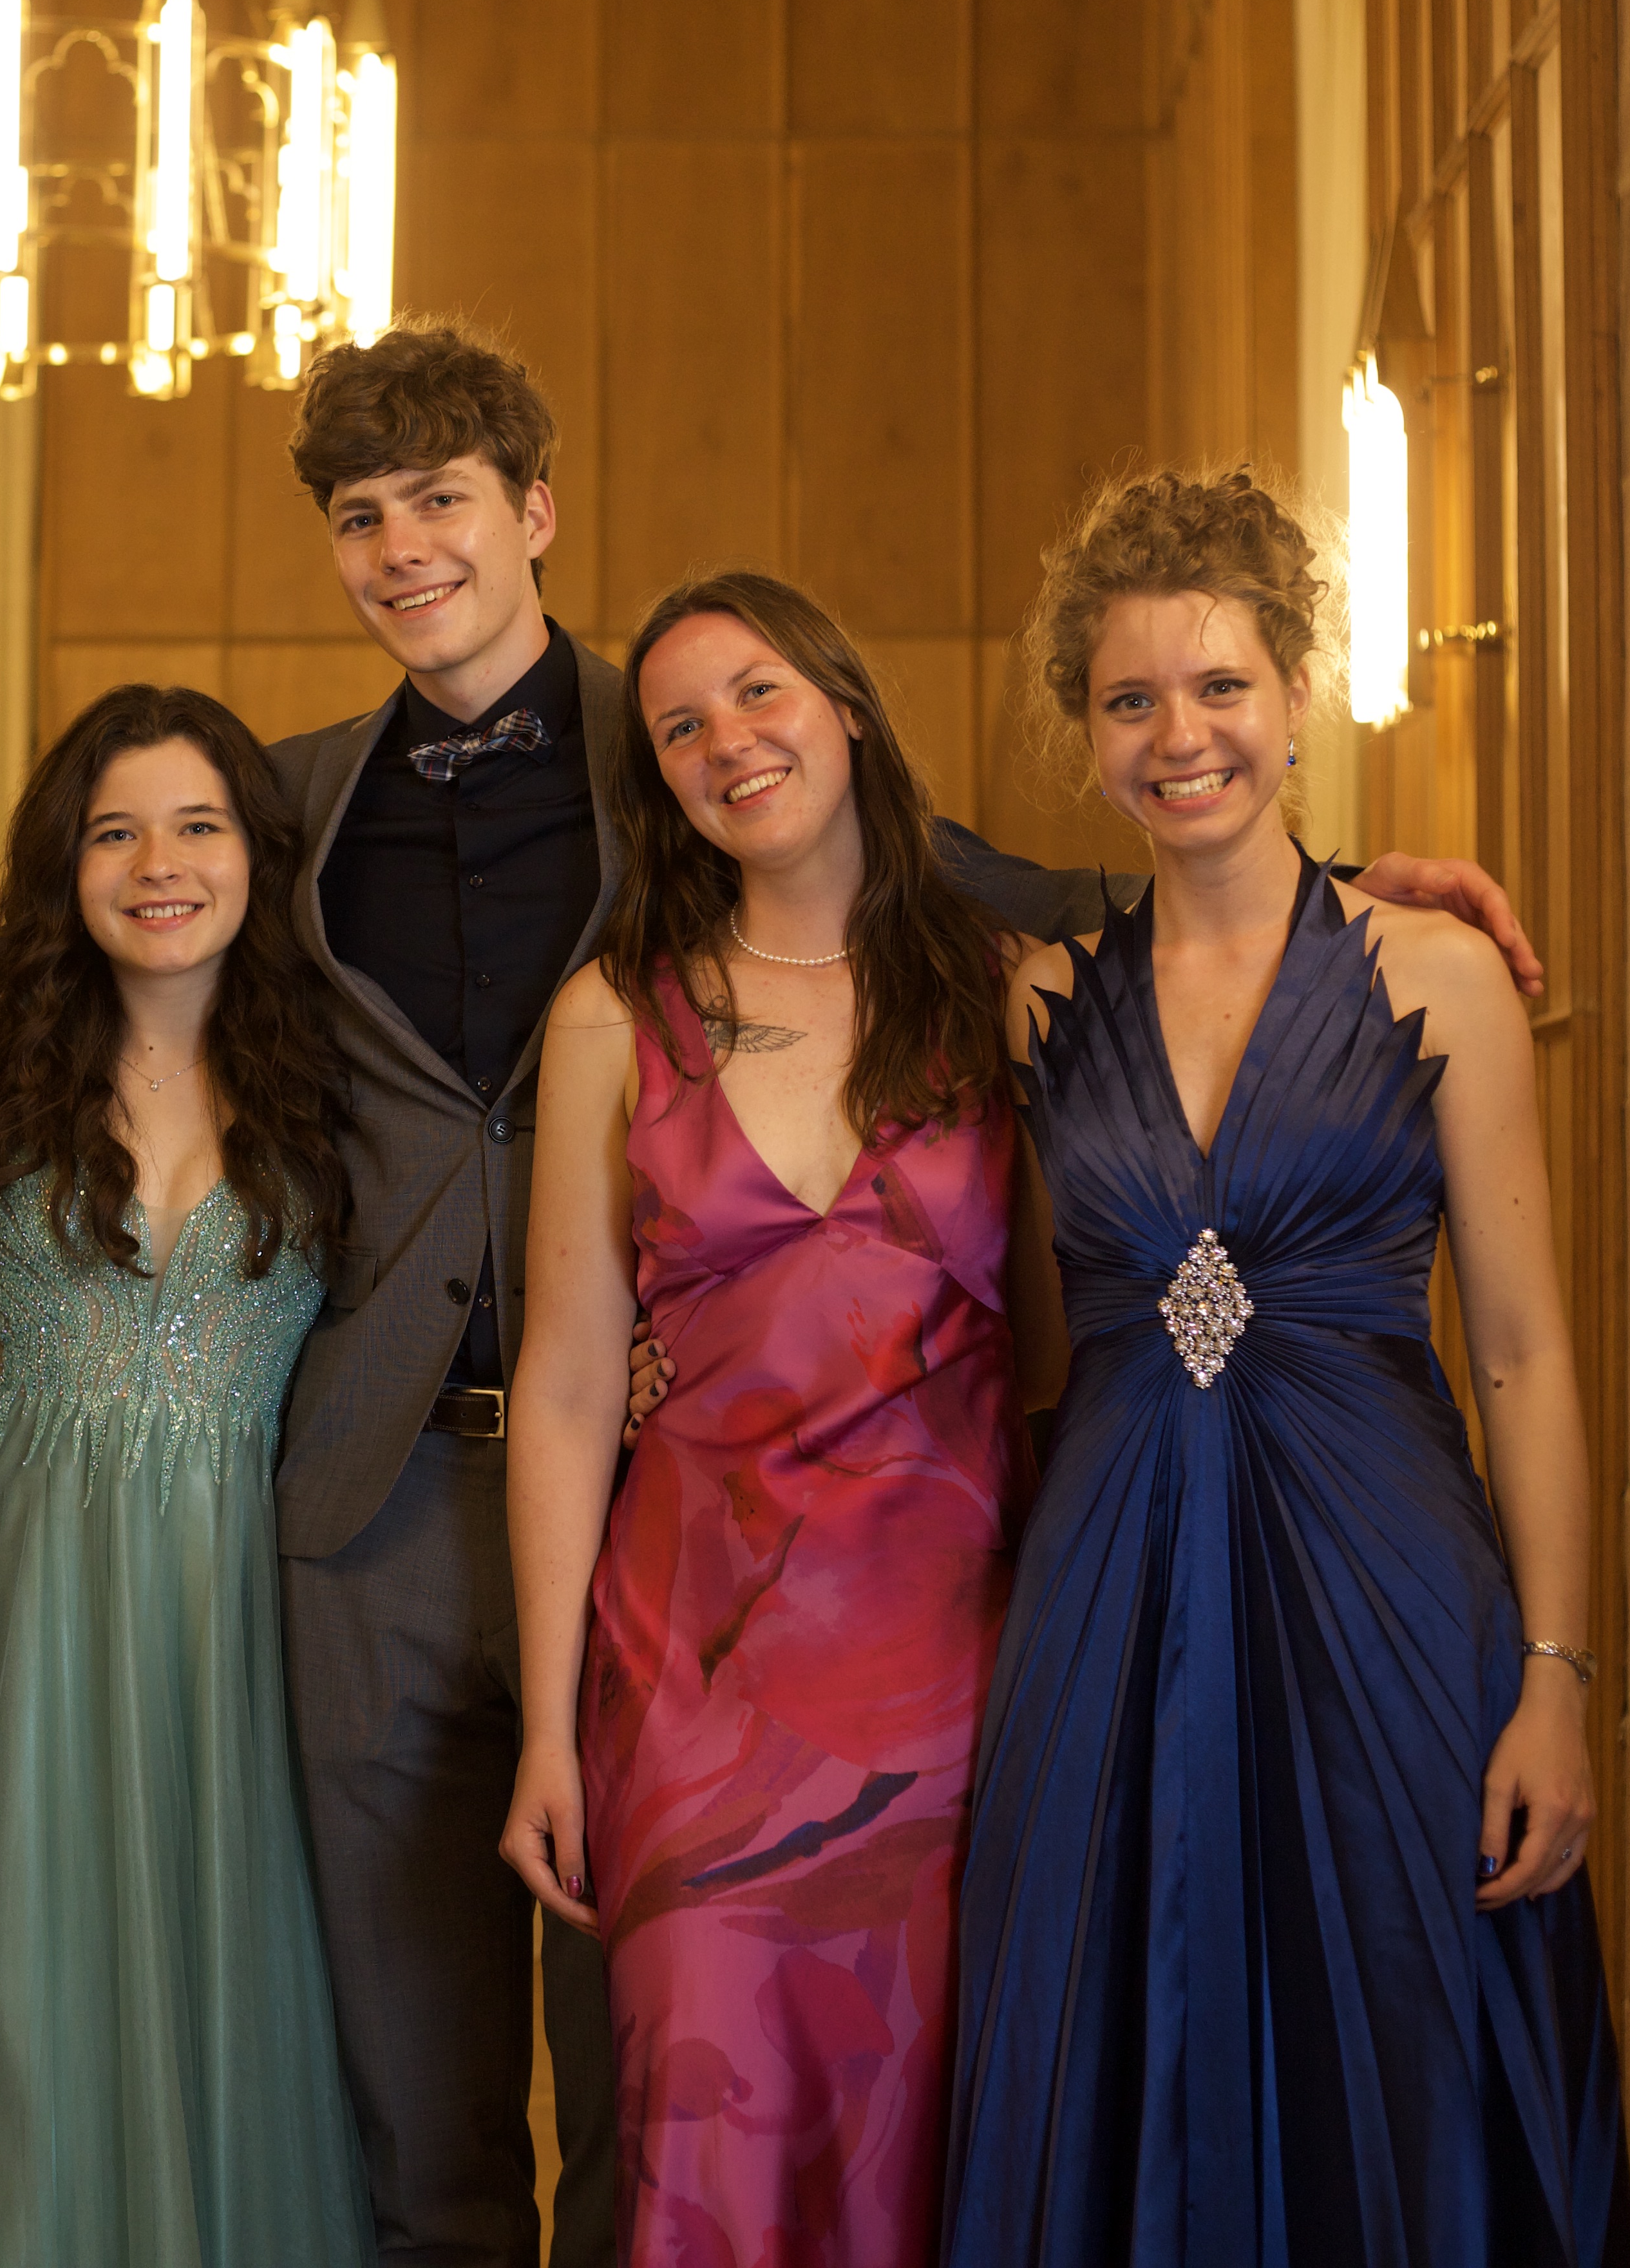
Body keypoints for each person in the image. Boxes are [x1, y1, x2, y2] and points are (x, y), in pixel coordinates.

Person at [258, 320, 1542, 2268]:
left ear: (532, 512)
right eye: (361, 517)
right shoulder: (300, 811)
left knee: (822, 2116)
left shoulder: (931, 931)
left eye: (439, 498)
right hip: (450, 1510)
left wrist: (1362, 894)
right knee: (427, 2100)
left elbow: (1151, 908)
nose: (403, 546)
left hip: (930, 1618)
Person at [940, 470, 1630, 2263]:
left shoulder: (1439, 973)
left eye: (1219, 686)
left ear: (1300, 694)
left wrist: (1554, 1677)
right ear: (1087, 735)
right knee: (1112, 2022)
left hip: (1382, 1586)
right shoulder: (1036, 1000)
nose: (1180, 735)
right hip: (1107, 1595)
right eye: (1130, 699)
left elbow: (1524, 1353)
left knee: (1397, 2030)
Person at [502, 572, 1064, 2266]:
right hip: (691, 1680)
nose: (727, 741)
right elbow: (568, 1384)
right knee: (707, 2128)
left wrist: (1389, 891)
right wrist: (549, 1731)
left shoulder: (1012, 992)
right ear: (658, 785)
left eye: (758, 693)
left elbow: (1055, 1351)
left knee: (928, 2141)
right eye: (679, 726)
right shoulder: (611, 1015)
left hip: (956, 1679)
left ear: (848, 709)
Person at [0, 684, 372, 2268]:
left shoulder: (339, 1082)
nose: (157, 863)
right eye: (115, 832)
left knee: (209, 2004)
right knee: (4, 2020)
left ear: (255, 855)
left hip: (228, 1622)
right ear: (67, 864)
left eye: (196, 825)